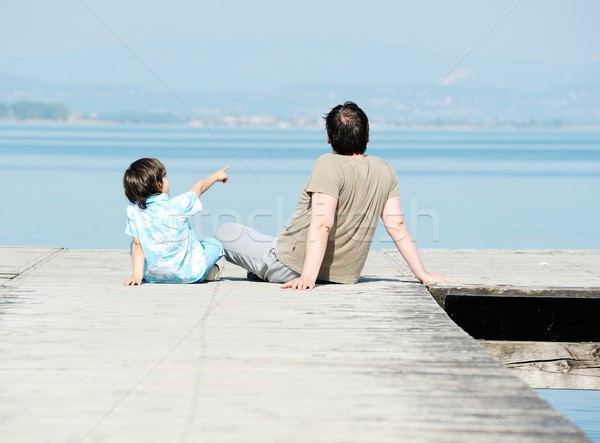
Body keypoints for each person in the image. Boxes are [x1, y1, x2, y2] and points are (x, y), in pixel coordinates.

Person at [215, 101, 455, 290]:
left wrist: (307, 276)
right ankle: (261, 270)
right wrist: (422, 274)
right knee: (267, 242)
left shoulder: (328, 164)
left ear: (329, 138)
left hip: (292, 266)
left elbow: (322, 223)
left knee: (224, 232)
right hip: (345, 276)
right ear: (367, 136)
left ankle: (263, 270)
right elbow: (397, 225)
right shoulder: (385, 169)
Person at [122, 158, 228, 286]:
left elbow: (137, 245)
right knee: (214, 244)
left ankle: (143, 273)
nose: (168, 180)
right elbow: (199, 187)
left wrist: (136, 277)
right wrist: (217, 176)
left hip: (153, 275)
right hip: (190, 274)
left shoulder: (134, 209)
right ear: (158, 184)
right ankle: (205, 272)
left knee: (135, 242)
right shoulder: (178, 205)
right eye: (165, 176)